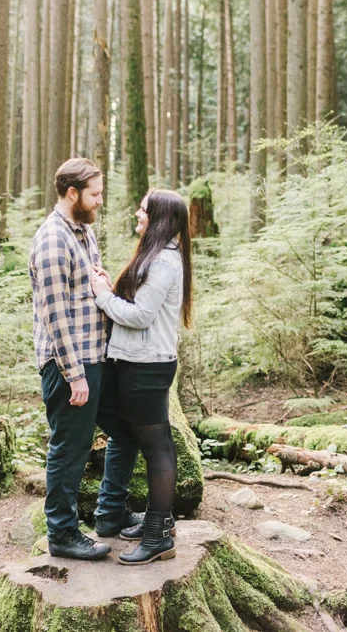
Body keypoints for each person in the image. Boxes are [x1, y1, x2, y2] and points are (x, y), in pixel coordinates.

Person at [29, 158, 142, 561]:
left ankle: (110, 514)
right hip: (69, 367)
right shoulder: (52, 241)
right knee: (70, 449)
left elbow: (87, 291)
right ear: (72, 193)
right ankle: (61, 534)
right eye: (94, 194)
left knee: (127, 429)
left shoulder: (84, 232)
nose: (100, 201)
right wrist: (75, 376)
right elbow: (55, 316)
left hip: (98, 359)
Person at [91, 189, 192, 566]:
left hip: (147, 367)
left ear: (159, 218)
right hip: (141, 363)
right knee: (148, 442)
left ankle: (157, 536)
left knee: (157, 449)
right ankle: (155, 525)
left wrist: (103, 295)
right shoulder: (159, 257)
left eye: (143, 209)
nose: (137, 212)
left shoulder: (165, 262)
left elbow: (139, 316)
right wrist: (111, 285)